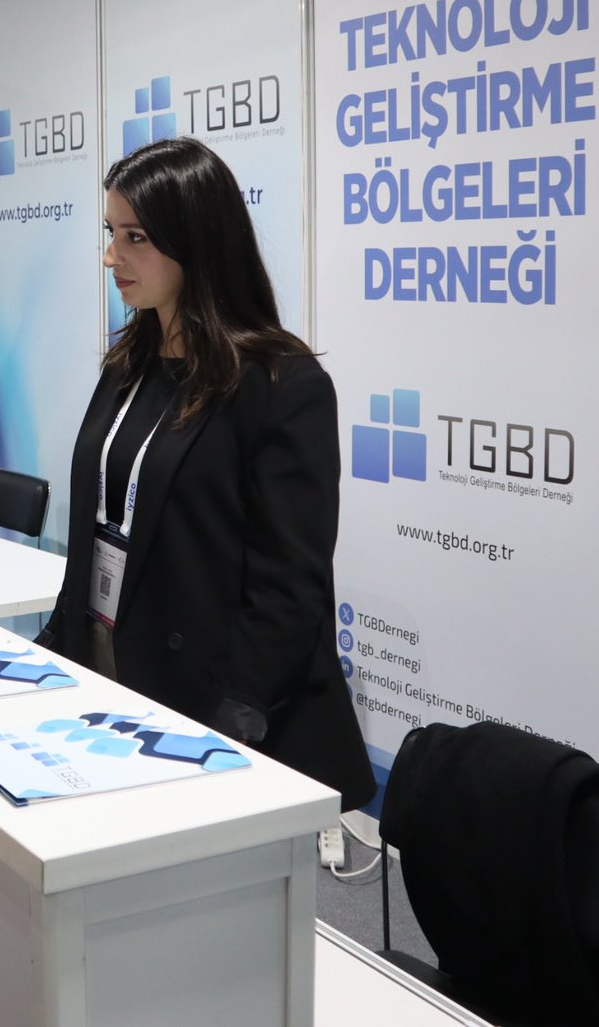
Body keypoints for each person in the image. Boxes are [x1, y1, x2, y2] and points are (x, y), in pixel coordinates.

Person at [38, 138, 375, 810]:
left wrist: (234, 715)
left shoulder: (281, 385)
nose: (111, 256)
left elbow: (289, 584)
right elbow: (97, 525)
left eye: (135, 237)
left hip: (218, 710)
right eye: (110, 233)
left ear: (195, 238)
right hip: (109, 666)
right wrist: (59, 643)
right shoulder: (129, 364)